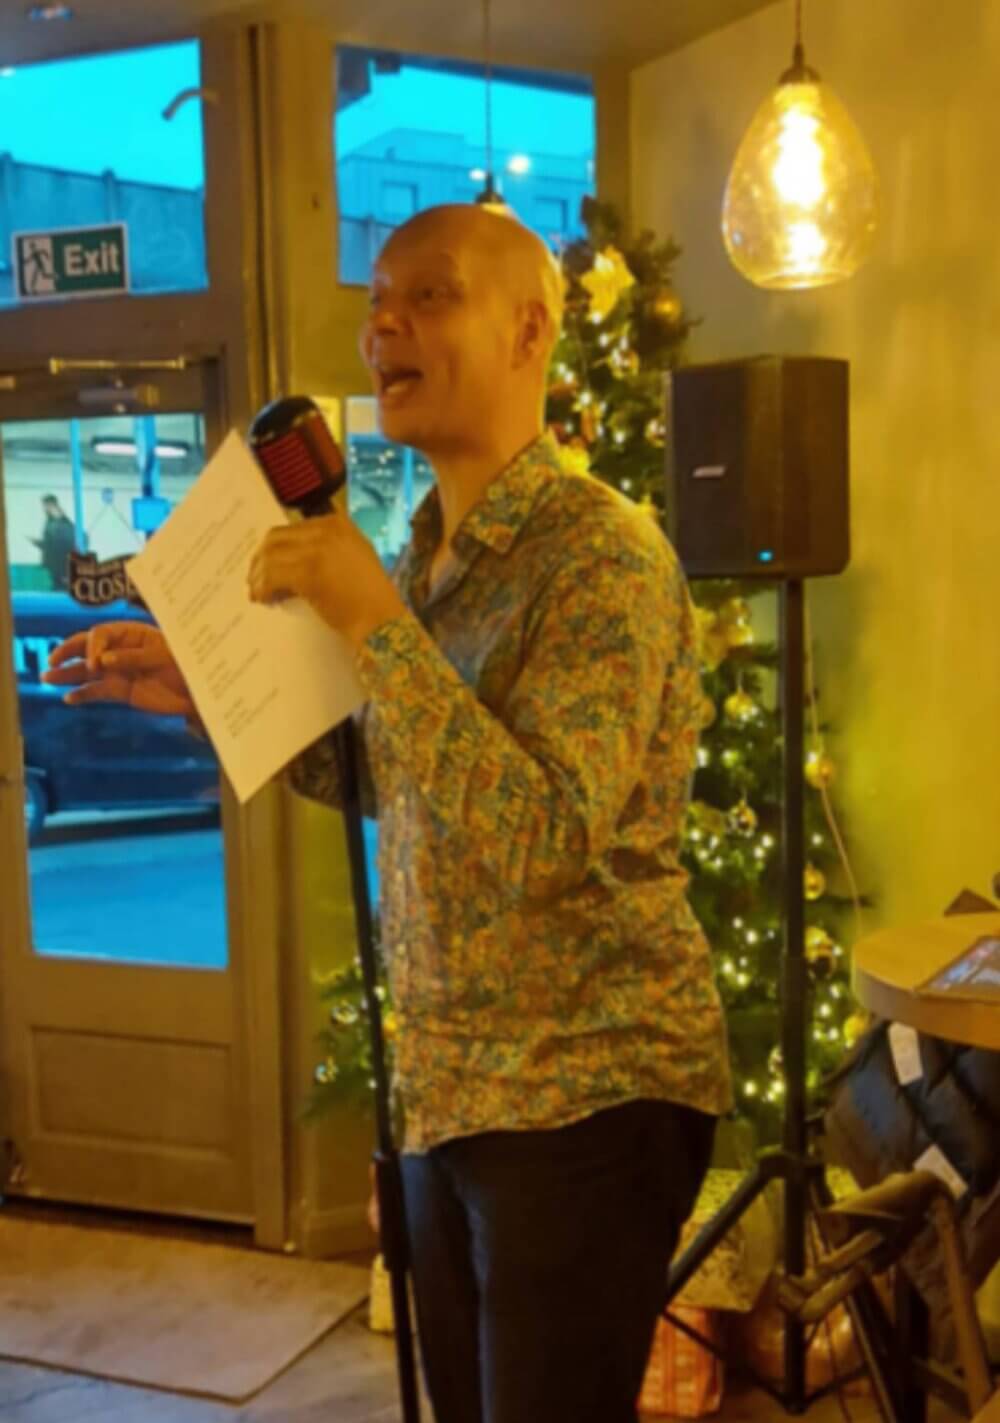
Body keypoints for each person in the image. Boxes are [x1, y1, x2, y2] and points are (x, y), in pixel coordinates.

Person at [43, 203, 732, 1423]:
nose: (383, 328)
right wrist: (200, 693)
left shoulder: (601, 558)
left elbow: (541, 838)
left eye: (429, 297)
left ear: (528, 331)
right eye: (376, 304)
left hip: (585, 1097)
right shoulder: (424, 559)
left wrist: (371, 624)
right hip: (448, 1091)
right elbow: (382, 771)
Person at [31, 494, 76, 591]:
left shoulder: (61, 522)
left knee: (61, 589)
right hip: (55, 565)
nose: (44, 509)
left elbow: (63, 544)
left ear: (52, 505)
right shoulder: (51, 521)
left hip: (61, 565)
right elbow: (51, 543)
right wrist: (39, 543)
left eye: (46, 506)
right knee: (57, 587)